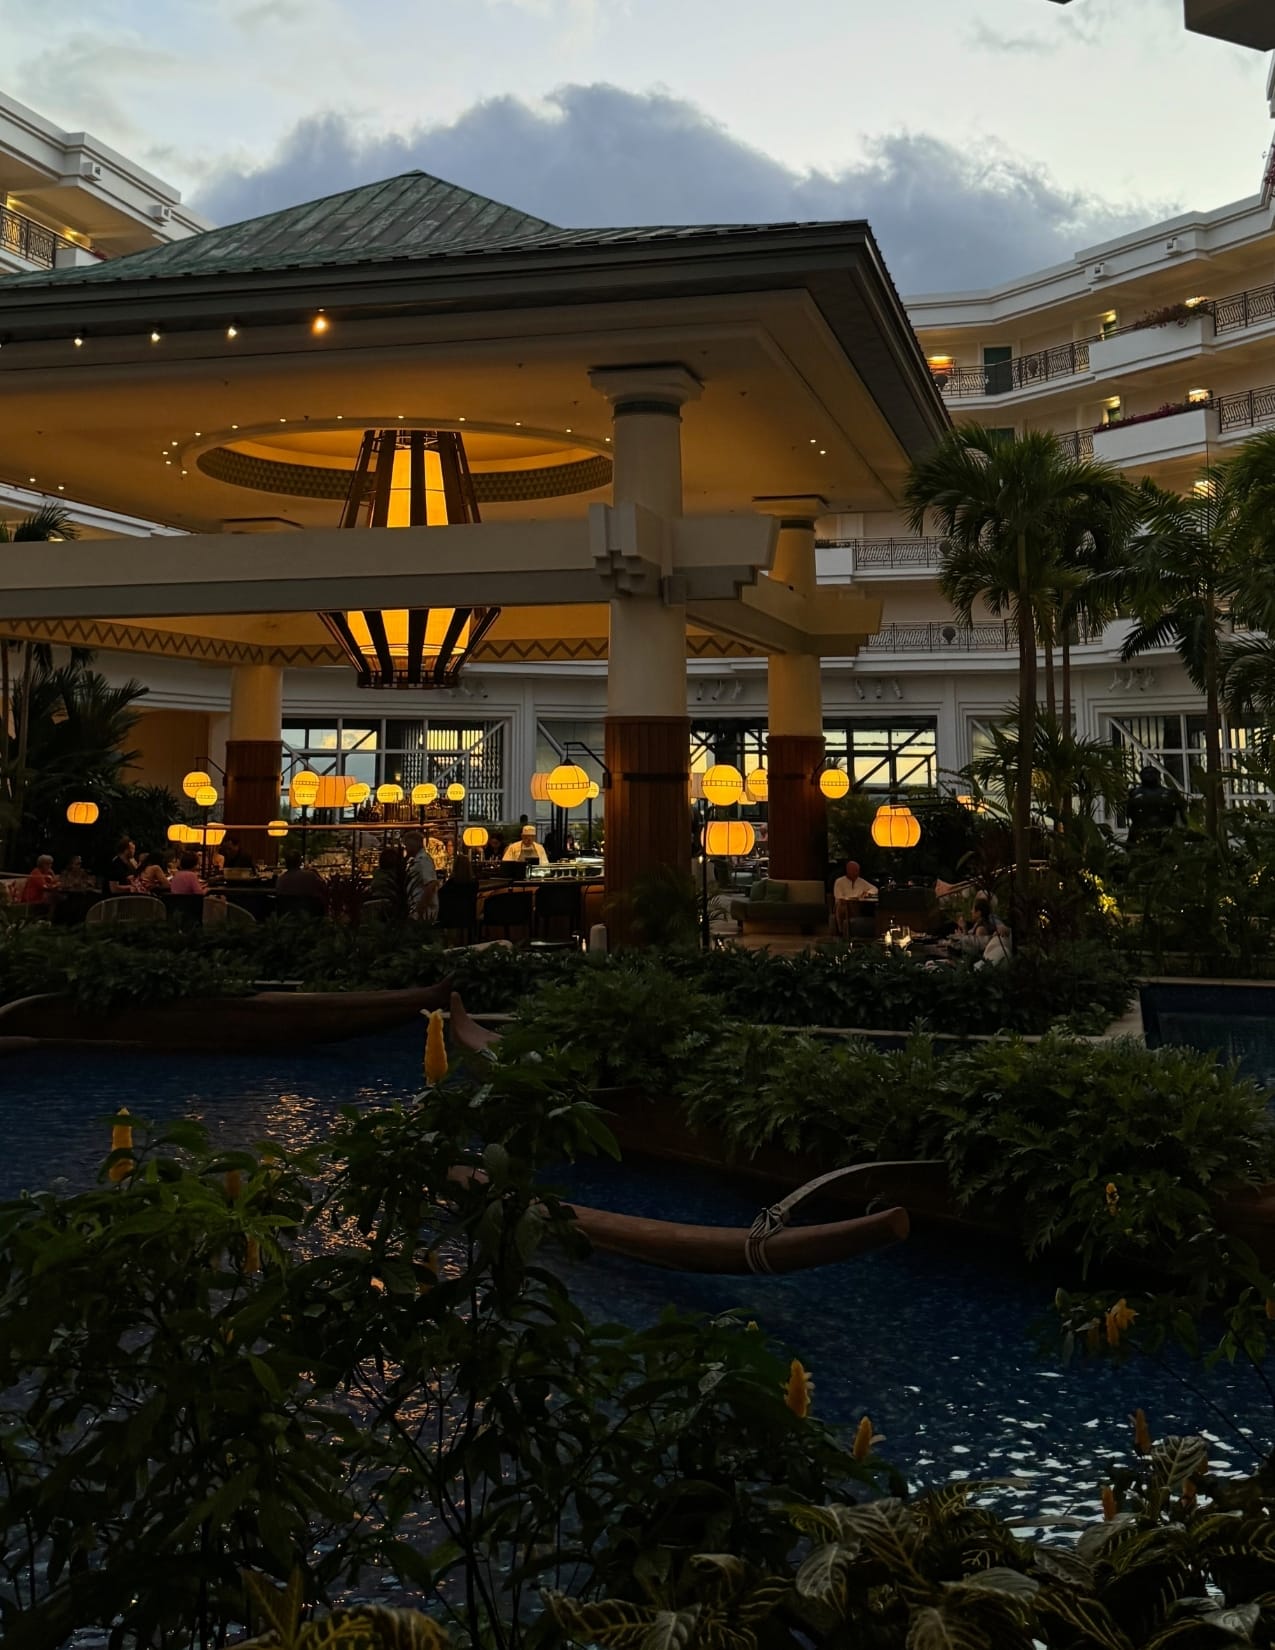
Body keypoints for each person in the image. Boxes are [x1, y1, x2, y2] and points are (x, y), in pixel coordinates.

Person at [1126, 765, 1187, 845]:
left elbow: (1181, 816)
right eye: (1147, 773)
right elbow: (1129, 813)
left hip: (1164, 834)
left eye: (1151, 773)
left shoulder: (1170, 793)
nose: (1149, 775)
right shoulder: (1134, 793)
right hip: (1142, 835)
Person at [833, 859, 878, 937]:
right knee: (843, 906)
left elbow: (875, 889)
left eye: (857, 871)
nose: (856, 873)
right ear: (848, 870)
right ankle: (842, 932)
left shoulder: (861, 881)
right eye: (854, 871)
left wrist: (867, 893)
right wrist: (851, 899)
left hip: (858, 904)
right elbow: (838, 896)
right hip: (843, 904)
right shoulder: (839, 881)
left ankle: (859, 931)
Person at [403, 830, 439, 921]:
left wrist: (419, 910)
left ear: (413, 845)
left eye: (407, 846)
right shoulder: (417, 860)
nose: (406, 849)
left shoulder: (423, 860)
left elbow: (431, 885)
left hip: (423, 913)